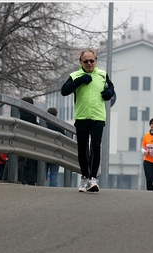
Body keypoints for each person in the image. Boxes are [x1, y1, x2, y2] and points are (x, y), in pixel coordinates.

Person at [61, 48, 115, 193]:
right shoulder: (75, 75)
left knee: (96, 146)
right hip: (82, 116)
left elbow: (112, 89)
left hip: (98, 116)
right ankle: (84, 177)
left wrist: (109, 93)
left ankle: (92, 178)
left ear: (96, 61)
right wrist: (79, 81)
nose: (89, 63)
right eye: (86, 61)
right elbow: (64, 91)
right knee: (82, 148)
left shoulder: (103, 75)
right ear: (81, 62)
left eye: (92, 61)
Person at [2, 96, 39, 185]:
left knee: (11, 158)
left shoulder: (17, 113)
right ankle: (17, 179)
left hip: (14, 138)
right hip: (24, 141)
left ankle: (6, 178)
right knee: (20, 160)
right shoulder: (32, 116)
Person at [46, 107, 65, 187]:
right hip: (56, 151)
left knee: (42, 170)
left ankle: (40, 185)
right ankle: (53, 186)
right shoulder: (59, 125)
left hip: (44, 151)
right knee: (54, 172)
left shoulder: (44, 123)